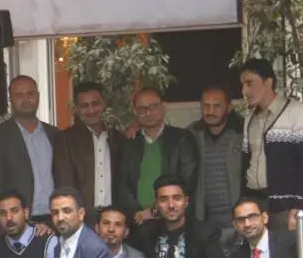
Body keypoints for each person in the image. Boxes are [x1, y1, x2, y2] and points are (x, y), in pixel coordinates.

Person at [240, 59, 303, 231]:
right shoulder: (249, 118)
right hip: (254, 205)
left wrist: (298, 206)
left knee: (285, 247)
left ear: (268, 82)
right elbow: (245, 162)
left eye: (250, 84)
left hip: (284, 207)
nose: (244, 91)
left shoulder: (296, 111)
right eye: (243, 85)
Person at [117, 88, 199, 226]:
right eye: (142, 109)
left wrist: (155, 211)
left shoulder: (182, 139)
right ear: (135, 112)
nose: (148, 113)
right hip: (138, 221)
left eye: (154, 107)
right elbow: (123, 184)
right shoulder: (130, 144)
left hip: (174, 219)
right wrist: (136, 213)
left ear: (164, 107)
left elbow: (188, 179)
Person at [0, 75, 61, 230]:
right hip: (16, 221)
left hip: (54, 219)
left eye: (30, 93)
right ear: (10, 99)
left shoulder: (55, 135)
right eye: (19, 95)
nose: (26, 99)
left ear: (38, 96)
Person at [56, 82, 126, 218]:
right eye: (84, 106)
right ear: (76, 108)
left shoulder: (118, 139)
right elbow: (65, 184)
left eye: (95, 104)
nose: (91, 110)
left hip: (114, 215)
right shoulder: (66, 140)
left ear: (103, 104)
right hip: (82, 216)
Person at [187, 85, 245, 236]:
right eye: (206, 106)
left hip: (238, 217)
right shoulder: (191, 134)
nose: (210, 111)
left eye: (216, 106)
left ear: (229, 107)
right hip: (203, 219)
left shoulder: (243, 132)